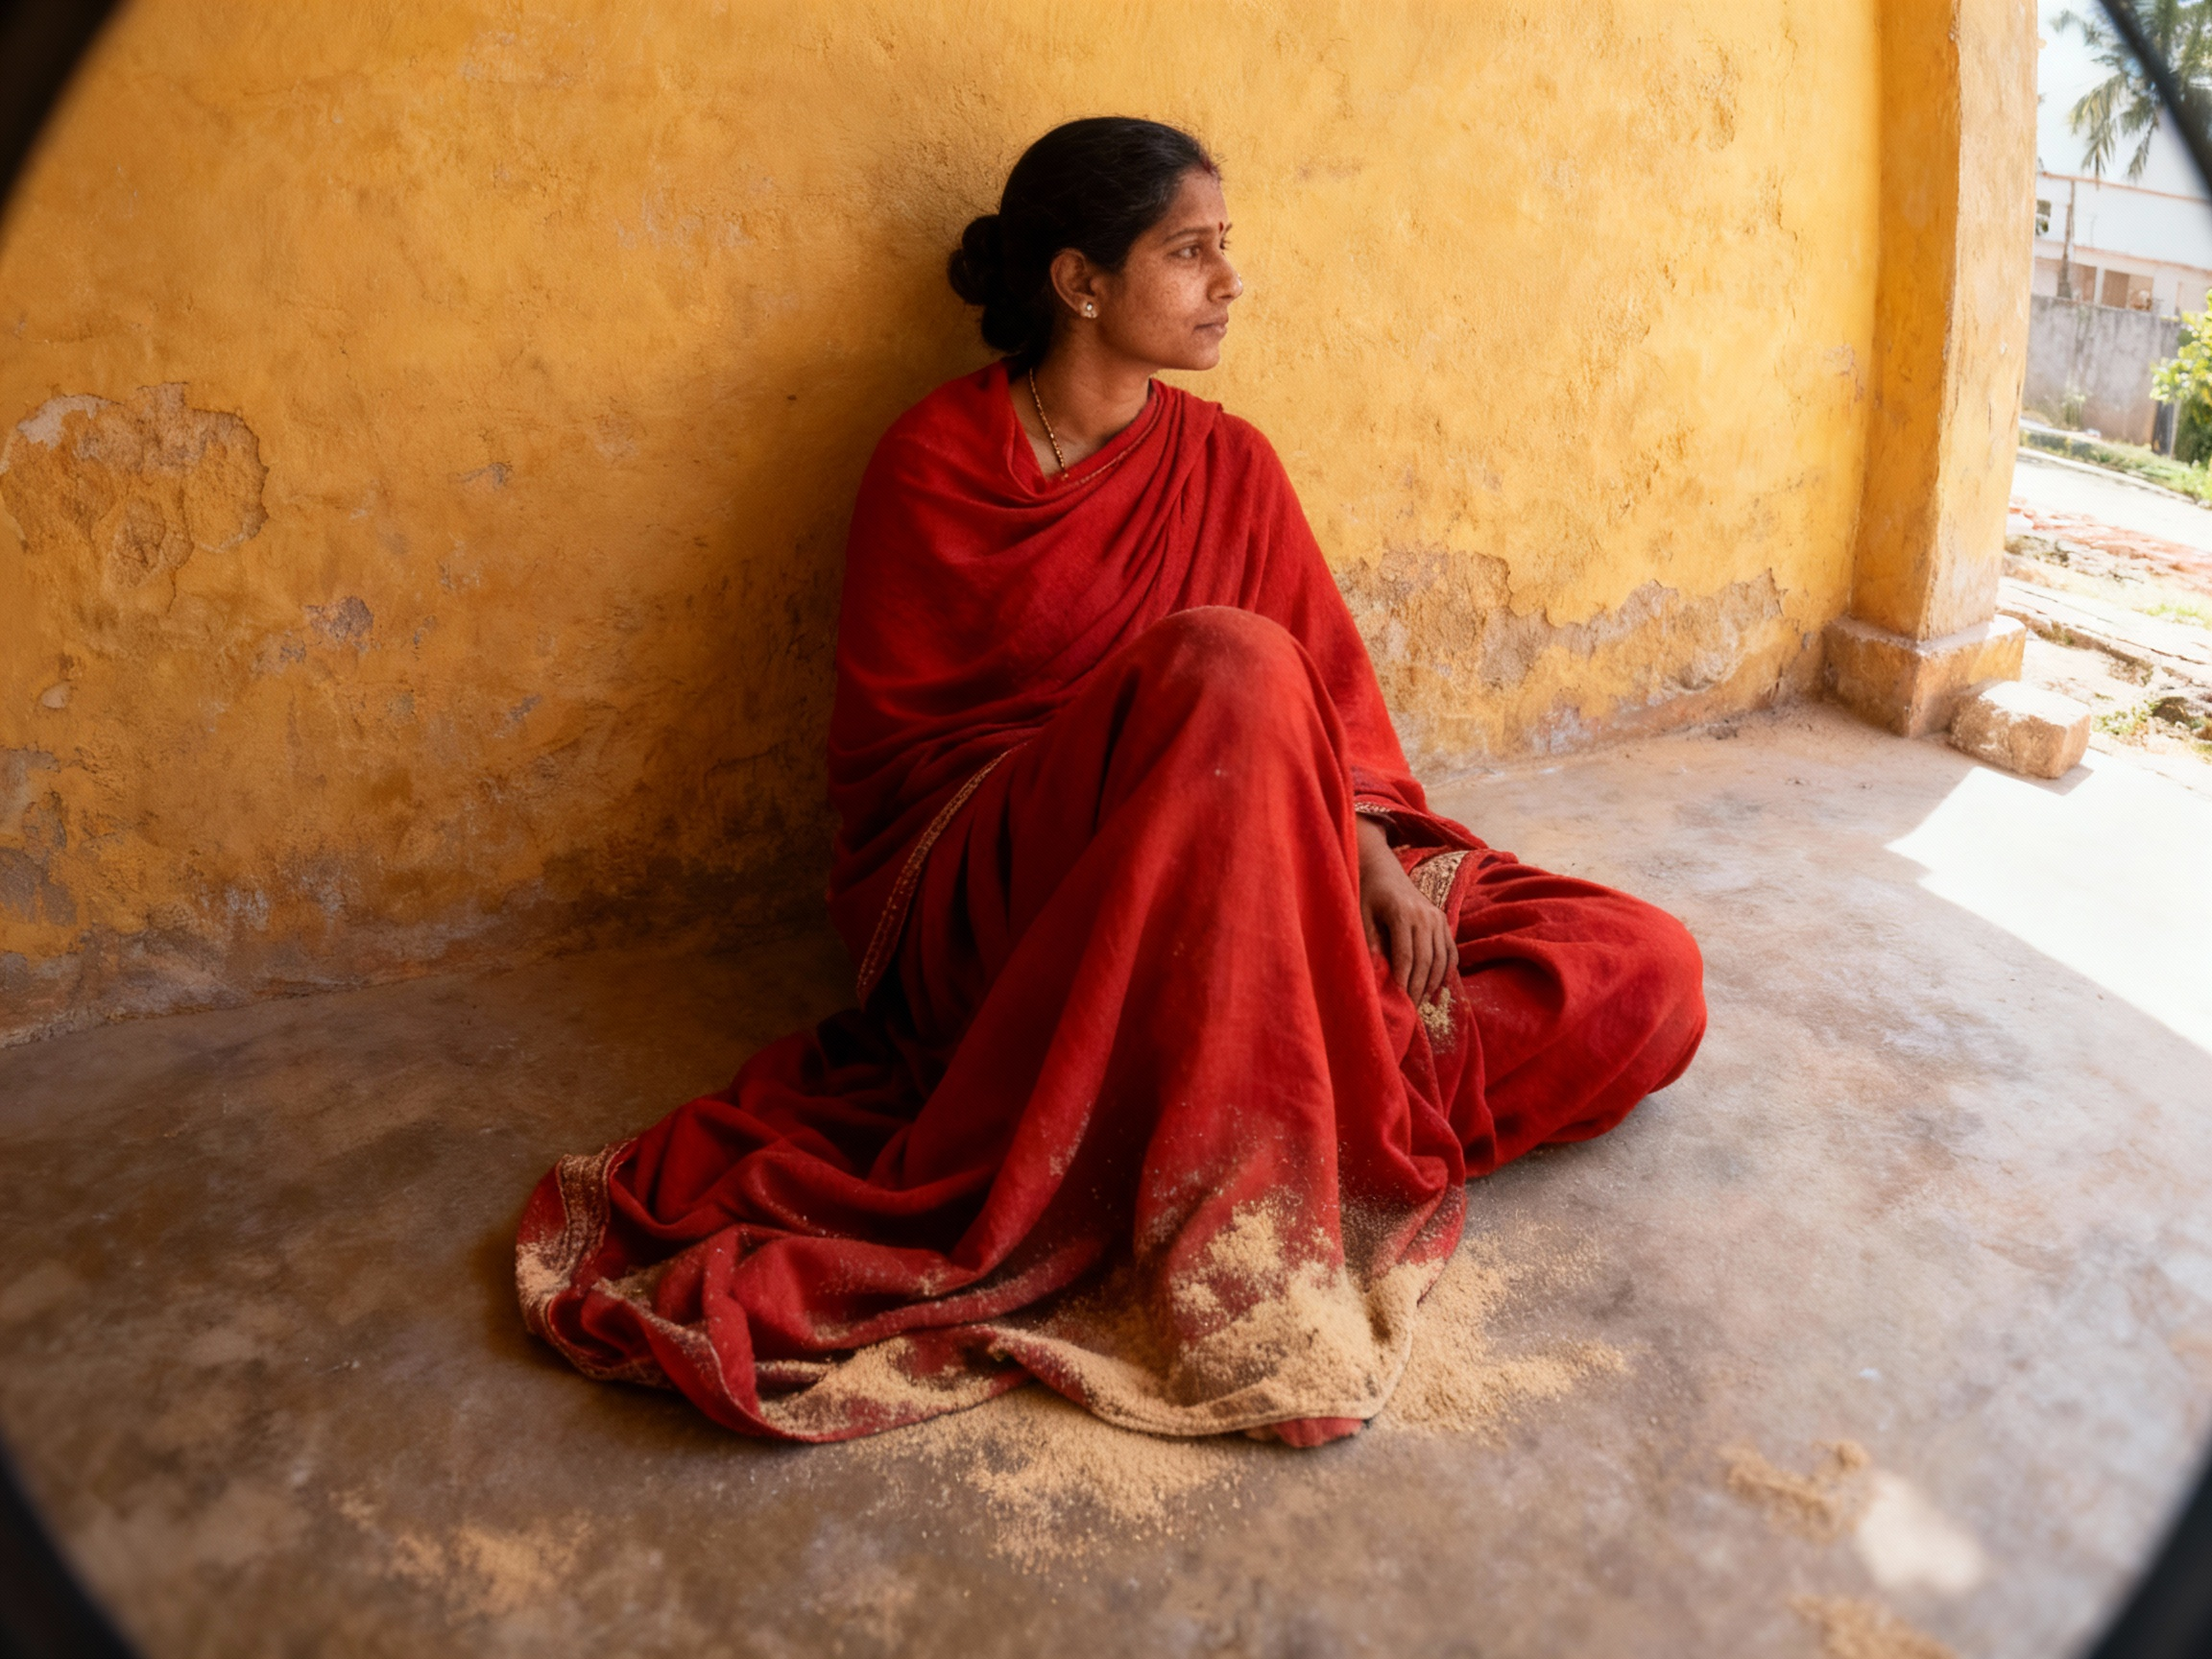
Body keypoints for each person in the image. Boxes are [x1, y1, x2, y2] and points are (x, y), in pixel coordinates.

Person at [517, 117, 1705, 1447]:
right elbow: (909, 775)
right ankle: (1265, 1085)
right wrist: (1165, 737)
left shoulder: (1229, 465)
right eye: (1190, 254)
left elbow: (1333, 716)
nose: (1228, 283)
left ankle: (1248, 1080)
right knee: (1226, 662)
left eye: (1226, 251)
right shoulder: (935, 465)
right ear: (1081, 284)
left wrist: (1372, 867)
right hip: (1014, 894)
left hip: (1270, 845)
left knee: (1642, 972)